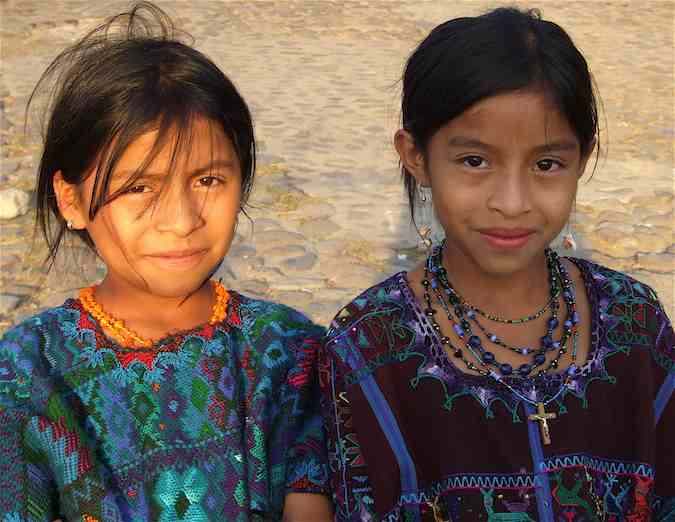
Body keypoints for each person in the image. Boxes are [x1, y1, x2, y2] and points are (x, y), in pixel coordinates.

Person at [320, 7, 674, 521]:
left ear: (583, 158)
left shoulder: (635, 323)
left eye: (547, 164)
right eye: (474, 161)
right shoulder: (369, 347)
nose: (512, 202)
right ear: (415, 155)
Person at [0, 3, 332, 520]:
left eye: (207, 180)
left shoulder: (291, 356)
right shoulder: (28, 374)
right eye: (138, 187)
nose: (180, 220)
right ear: (70, 199)